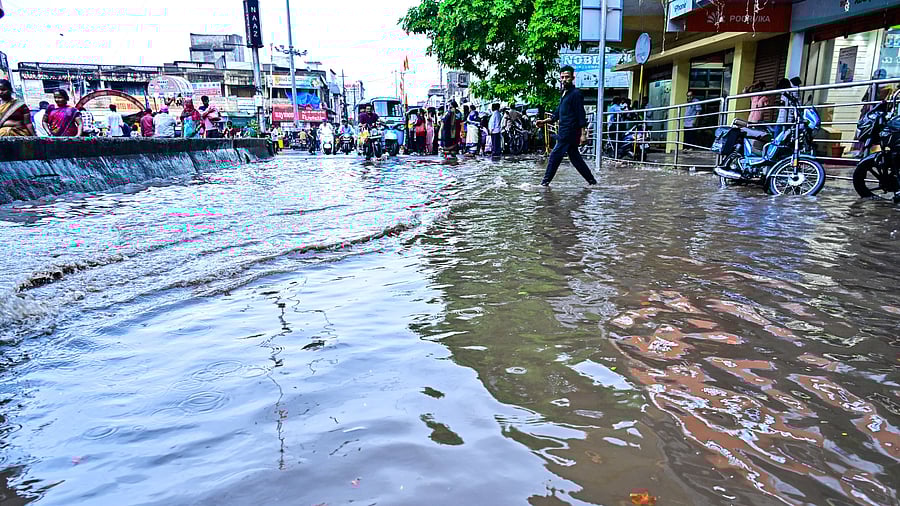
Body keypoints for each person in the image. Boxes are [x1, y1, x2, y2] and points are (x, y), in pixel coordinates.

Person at [534, 65, 597, 187]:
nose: (564, 79)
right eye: (562, 77)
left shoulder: (576, 94)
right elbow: (558, 113)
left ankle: (544, 183)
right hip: (565, 131)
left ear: (573, 78)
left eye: (567, 77)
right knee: (575, 158)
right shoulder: (564, 94)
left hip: (570, 132)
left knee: (554, 156)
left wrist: (583, 134)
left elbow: (580, 113)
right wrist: (544, 121)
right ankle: (592, 181)